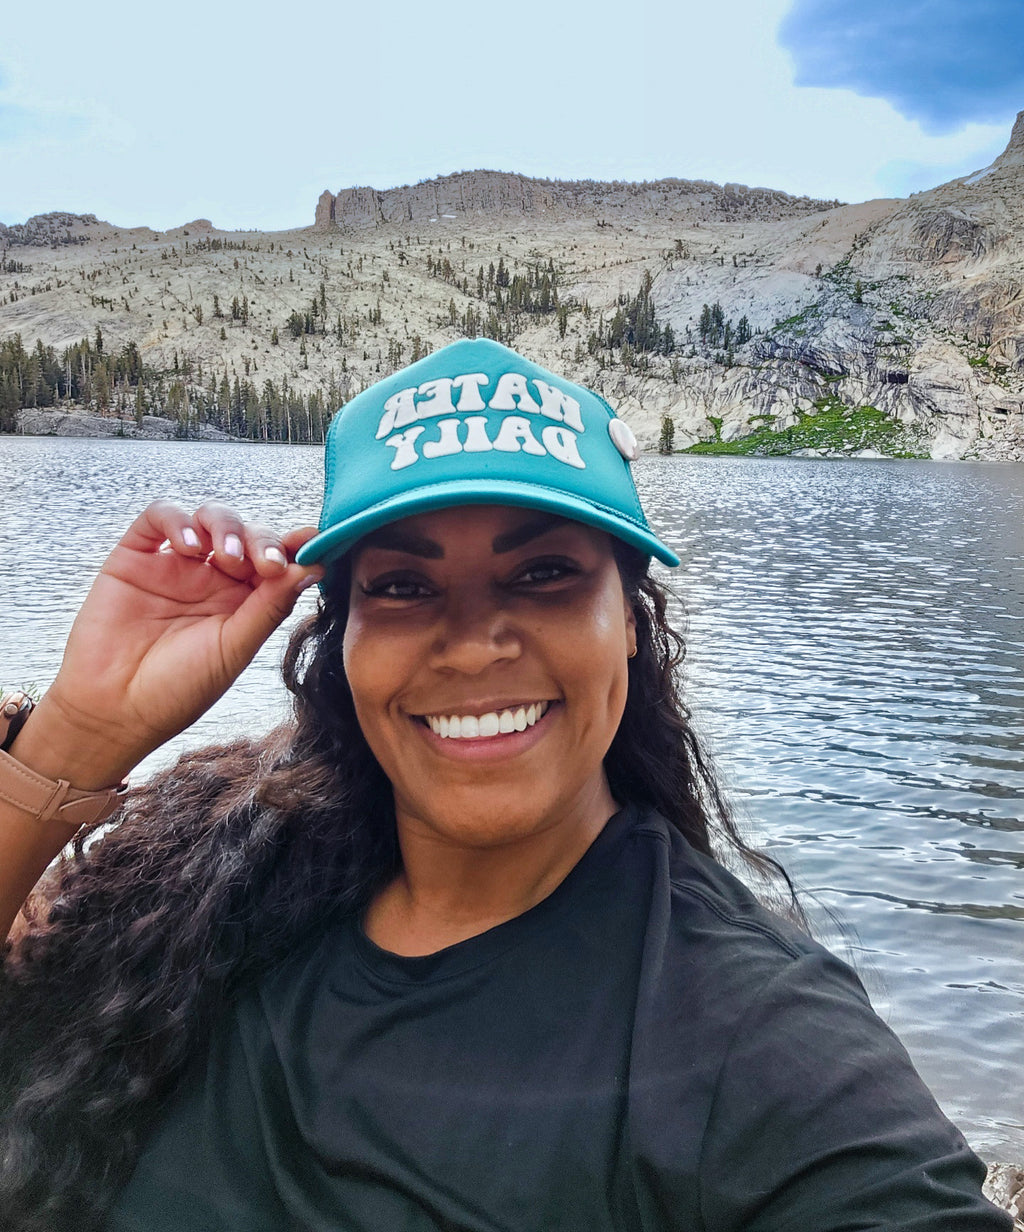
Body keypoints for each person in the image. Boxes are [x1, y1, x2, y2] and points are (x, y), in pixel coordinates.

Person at [0, 339, 1010, 1232]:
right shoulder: (211, 875)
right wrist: (89, 729)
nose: (477, 641)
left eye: (544, 574)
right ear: (340, 641)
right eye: (402, 584)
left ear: (631, 618)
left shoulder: (749, 1034)